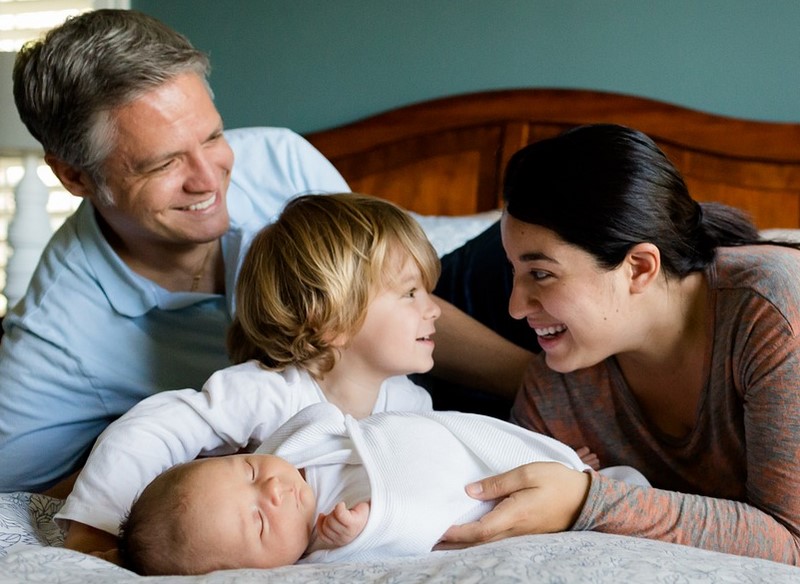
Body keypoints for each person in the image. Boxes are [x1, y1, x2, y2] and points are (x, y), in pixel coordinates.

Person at [0, 9, 533, 497]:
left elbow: (392, 296)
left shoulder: (279, 159)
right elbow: (24, 498)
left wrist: (548, 387)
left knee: (540, 234)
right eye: (163, 165)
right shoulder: (56, 338)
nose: (210, 181)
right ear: (74, 176)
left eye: (212, 137)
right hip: (324, 425)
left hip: (414, 349)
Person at [435, 124, 800, 565]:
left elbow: (791, 540)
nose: (515, 306)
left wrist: (586, 500)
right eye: (514, 272)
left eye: (542, 274)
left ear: (639, 268)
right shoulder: (556, 388)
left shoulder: (772, 310)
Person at [56, 191, 441, 554]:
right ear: (330, 319)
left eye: (427, 290)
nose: (434, 309)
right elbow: (148, 432)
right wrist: (93, 531)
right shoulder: (268, 392)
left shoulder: (412, 405)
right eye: (410, 293)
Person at [118, 402, 647, 575]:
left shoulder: (300, 448)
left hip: (471, 454)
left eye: (251, 473)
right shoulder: (325, 547)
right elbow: (403, 544)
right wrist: (353, 533)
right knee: (620, 507)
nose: (275, 491)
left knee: (618, 488)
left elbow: (332, 421)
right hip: (481, 500)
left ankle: (585, 482)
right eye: (258, 522)